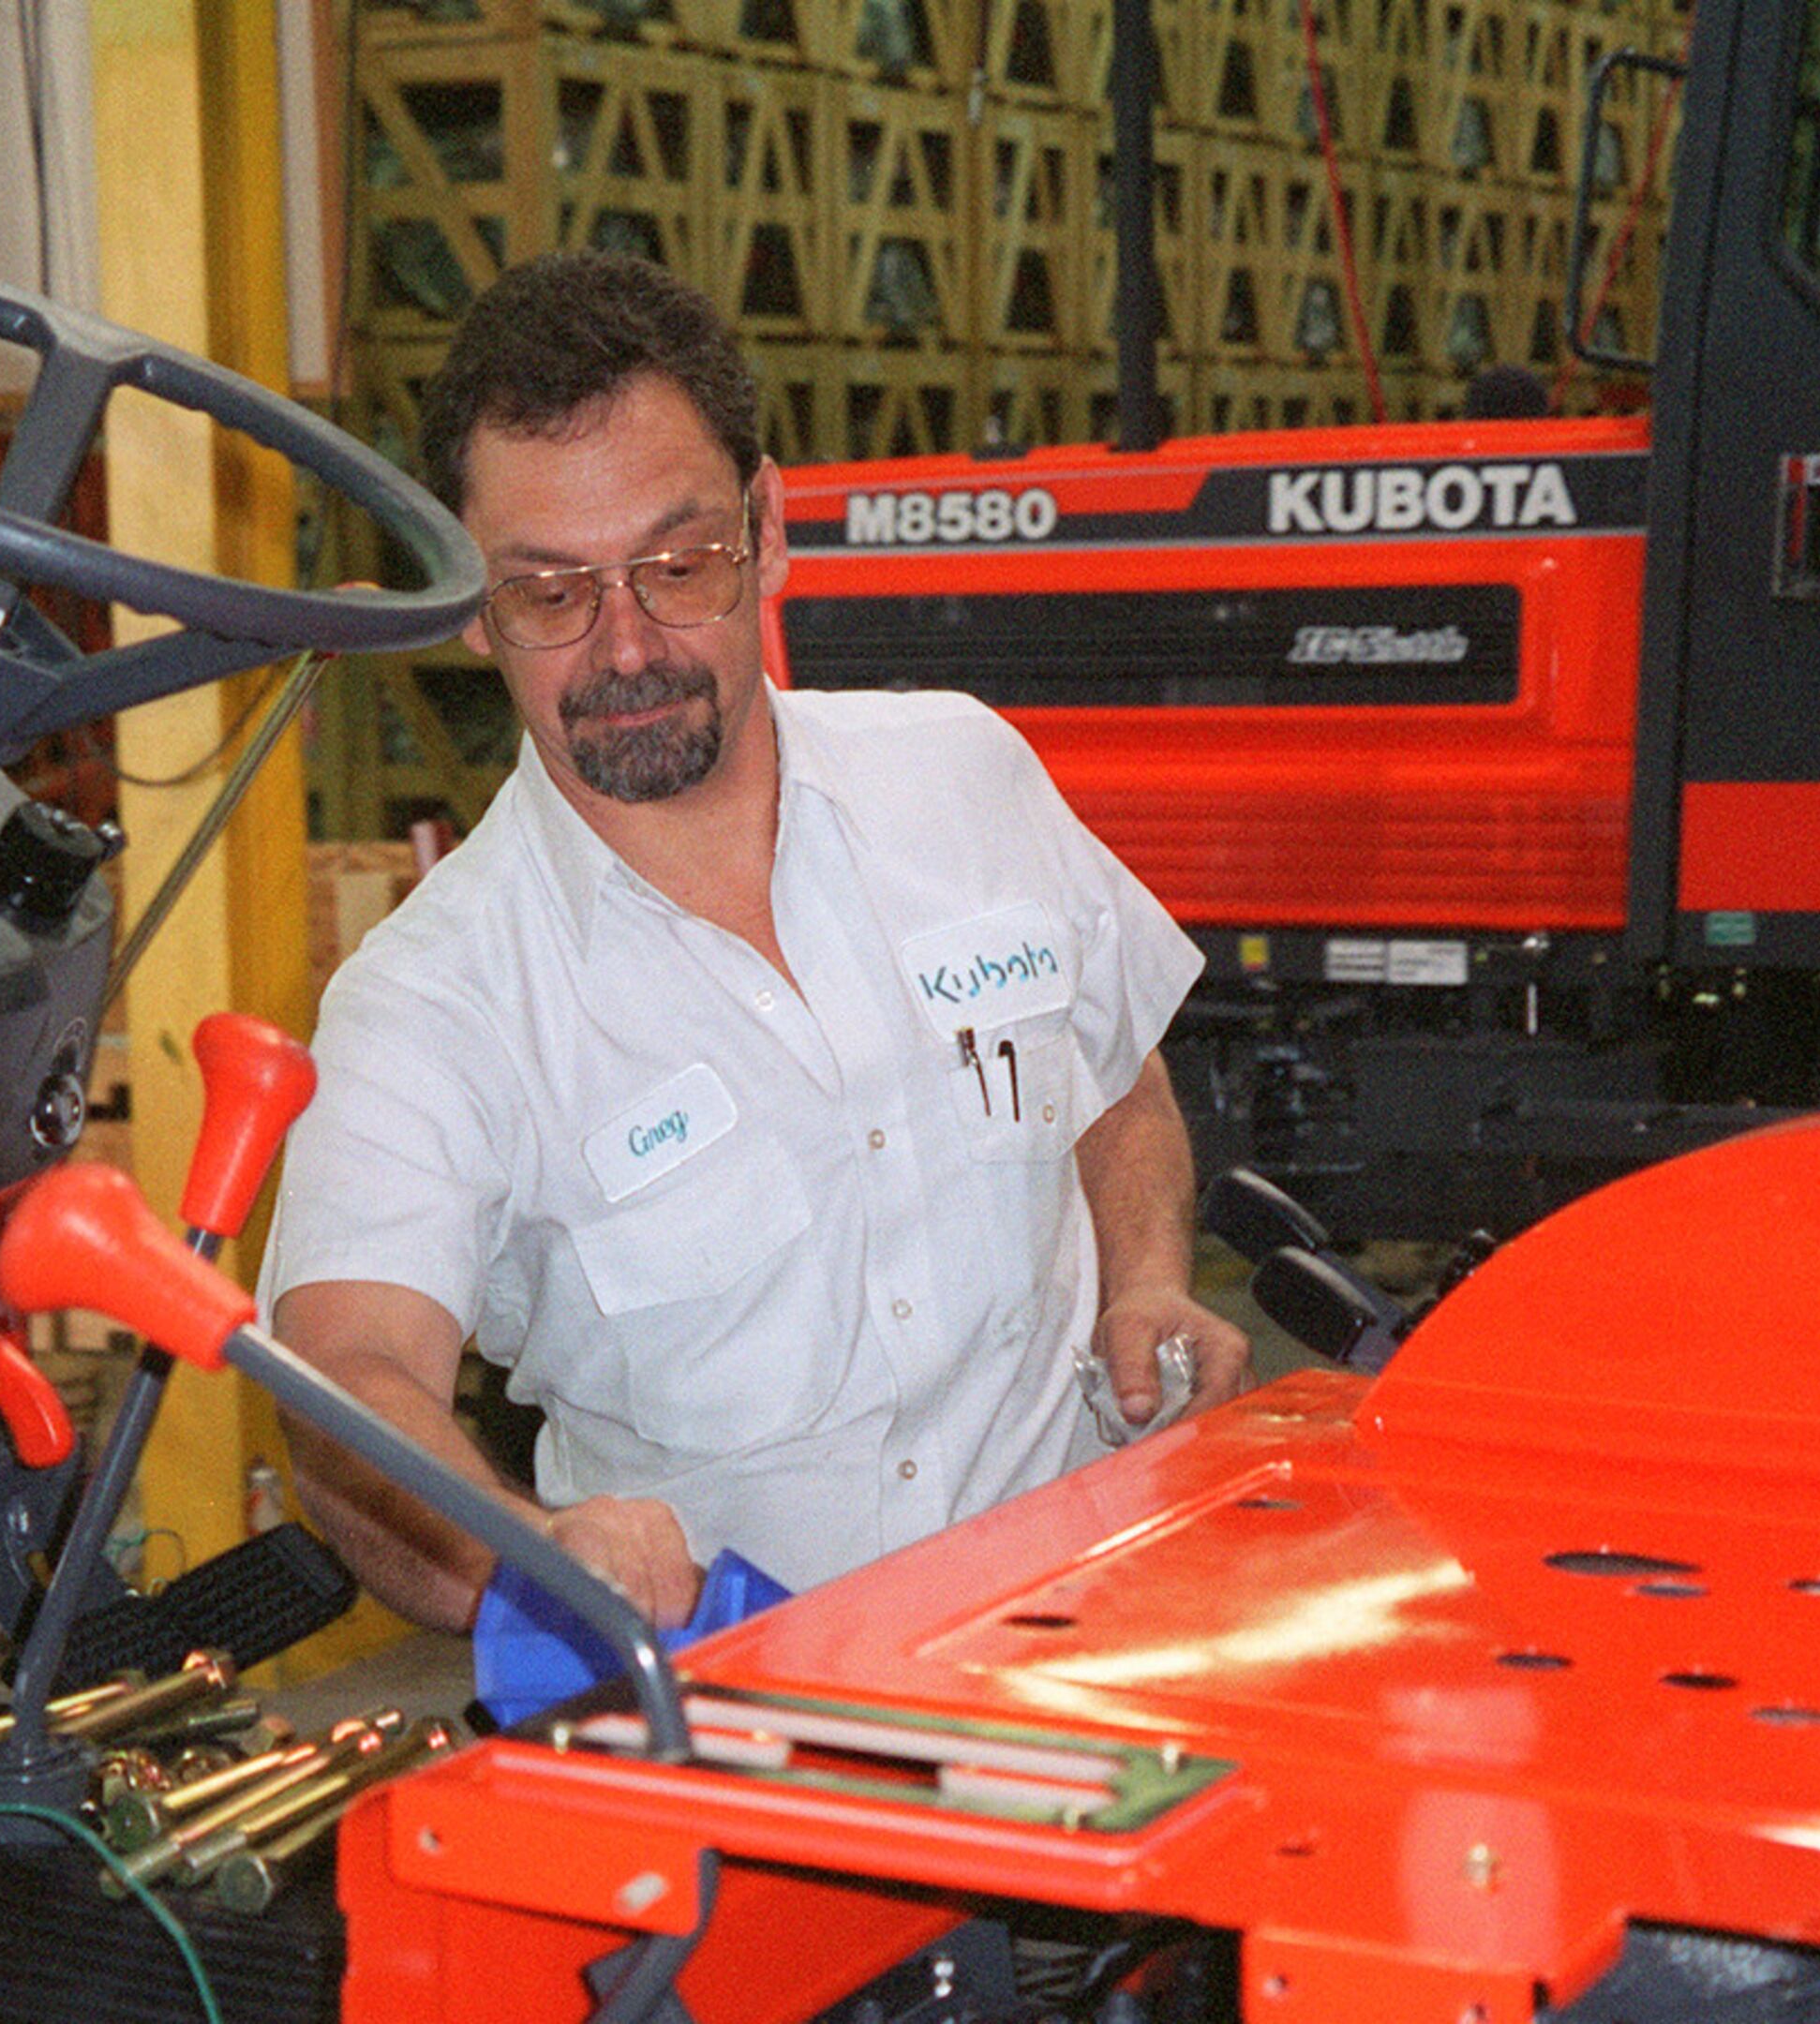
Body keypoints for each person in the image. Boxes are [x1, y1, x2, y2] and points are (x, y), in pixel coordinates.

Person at [257, 251, 1244, 1630]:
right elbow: (348, 1383)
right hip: (743, 1732)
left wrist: (1144, 1286)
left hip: (1095, 1639)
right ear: (473, 610)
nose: (625, 648)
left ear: (769, 529)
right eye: (550, 593)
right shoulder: (435, 1003)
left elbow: (1115, 1080)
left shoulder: (966, 776)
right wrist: (534, 1556)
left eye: (678, 565)